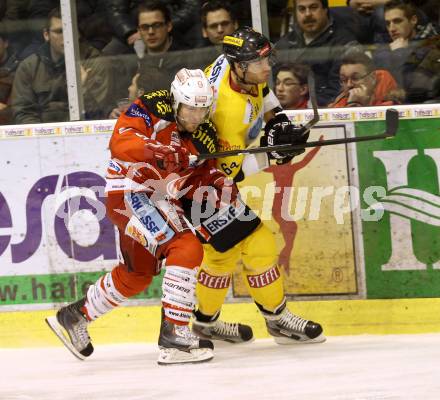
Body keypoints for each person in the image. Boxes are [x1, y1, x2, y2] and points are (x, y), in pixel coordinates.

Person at [46, 68, 238, 365]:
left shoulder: (204, 135)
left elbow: (197, 177)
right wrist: (158, 150)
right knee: (185, 247)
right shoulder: (153, 105)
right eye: (190, 108)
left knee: (137, 275)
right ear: (176, 101)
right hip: (130, 190)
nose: (196, 117)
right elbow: (121, 142)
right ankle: (174, 334)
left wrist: (215, 181)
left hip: (157, 198)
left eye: (202, 110)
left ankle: (73, 316)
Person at [190, 27, 325, 345]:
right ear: (238, 65)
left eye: (267, 60)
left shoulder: (241, 68)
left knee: (221, 257)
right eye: (259, 63)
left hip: (209, 181)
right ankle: (276, 321)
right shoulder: (226, 110)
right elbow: (232, 170)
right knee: (257, 245)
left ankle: (204, 322)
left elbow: (265, 98)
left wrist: (279, 125)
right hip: (203, 185)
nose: (267, 69)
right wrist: (276, 158)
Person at [10, 7, 112, 123]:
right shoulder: (29, 67)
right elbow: (23, 112)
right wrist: (44, 137)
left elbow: (100, 114)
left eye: (70, 31)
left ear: (78, 34)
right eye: (59, 31)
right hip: (41, 135)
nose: (66, 37)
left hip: (83, 134)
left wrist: (83, 90)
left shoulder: (94, 62)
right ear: (46, 35)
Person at [275, 0, 359, 106]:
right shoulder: (286, 43)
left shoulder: (343, 43)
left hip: (325, 113)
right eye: (302, 9)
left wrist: (306, 106)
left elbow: (338, 90)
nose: (308, 14)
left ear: (325, 10)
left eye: (313, 7)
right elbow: (271, 84)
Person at [373, 0, 439, 103]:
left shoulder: (431, 46)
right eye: (387, 23)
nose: (392, 28)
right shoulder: (381, 51)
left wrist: (400, 53)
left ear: (413, 20)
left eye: (397, 21)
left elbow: (414, 89)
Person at [328, 50, 403, 107]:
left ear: (373, 78)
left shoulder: (392, 104)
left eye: (355, 78)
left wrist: (356, 105)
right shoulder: (340, 102)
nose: (349, 85)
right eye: (344, 80)